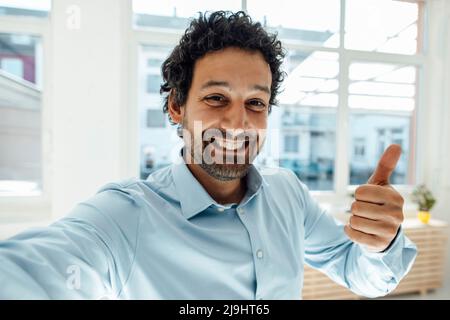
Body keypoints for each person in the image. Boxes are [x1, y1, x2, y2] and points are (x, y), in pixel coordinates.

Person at [0, 11, 416, 299]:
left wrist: (380, 244)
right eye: (217, 97)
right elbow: (32, 273)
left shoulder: (287, 193)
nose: (238, 124)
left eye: (256, 103)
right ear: (177, 108)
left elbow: (362, 275)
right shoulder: (126, 216)